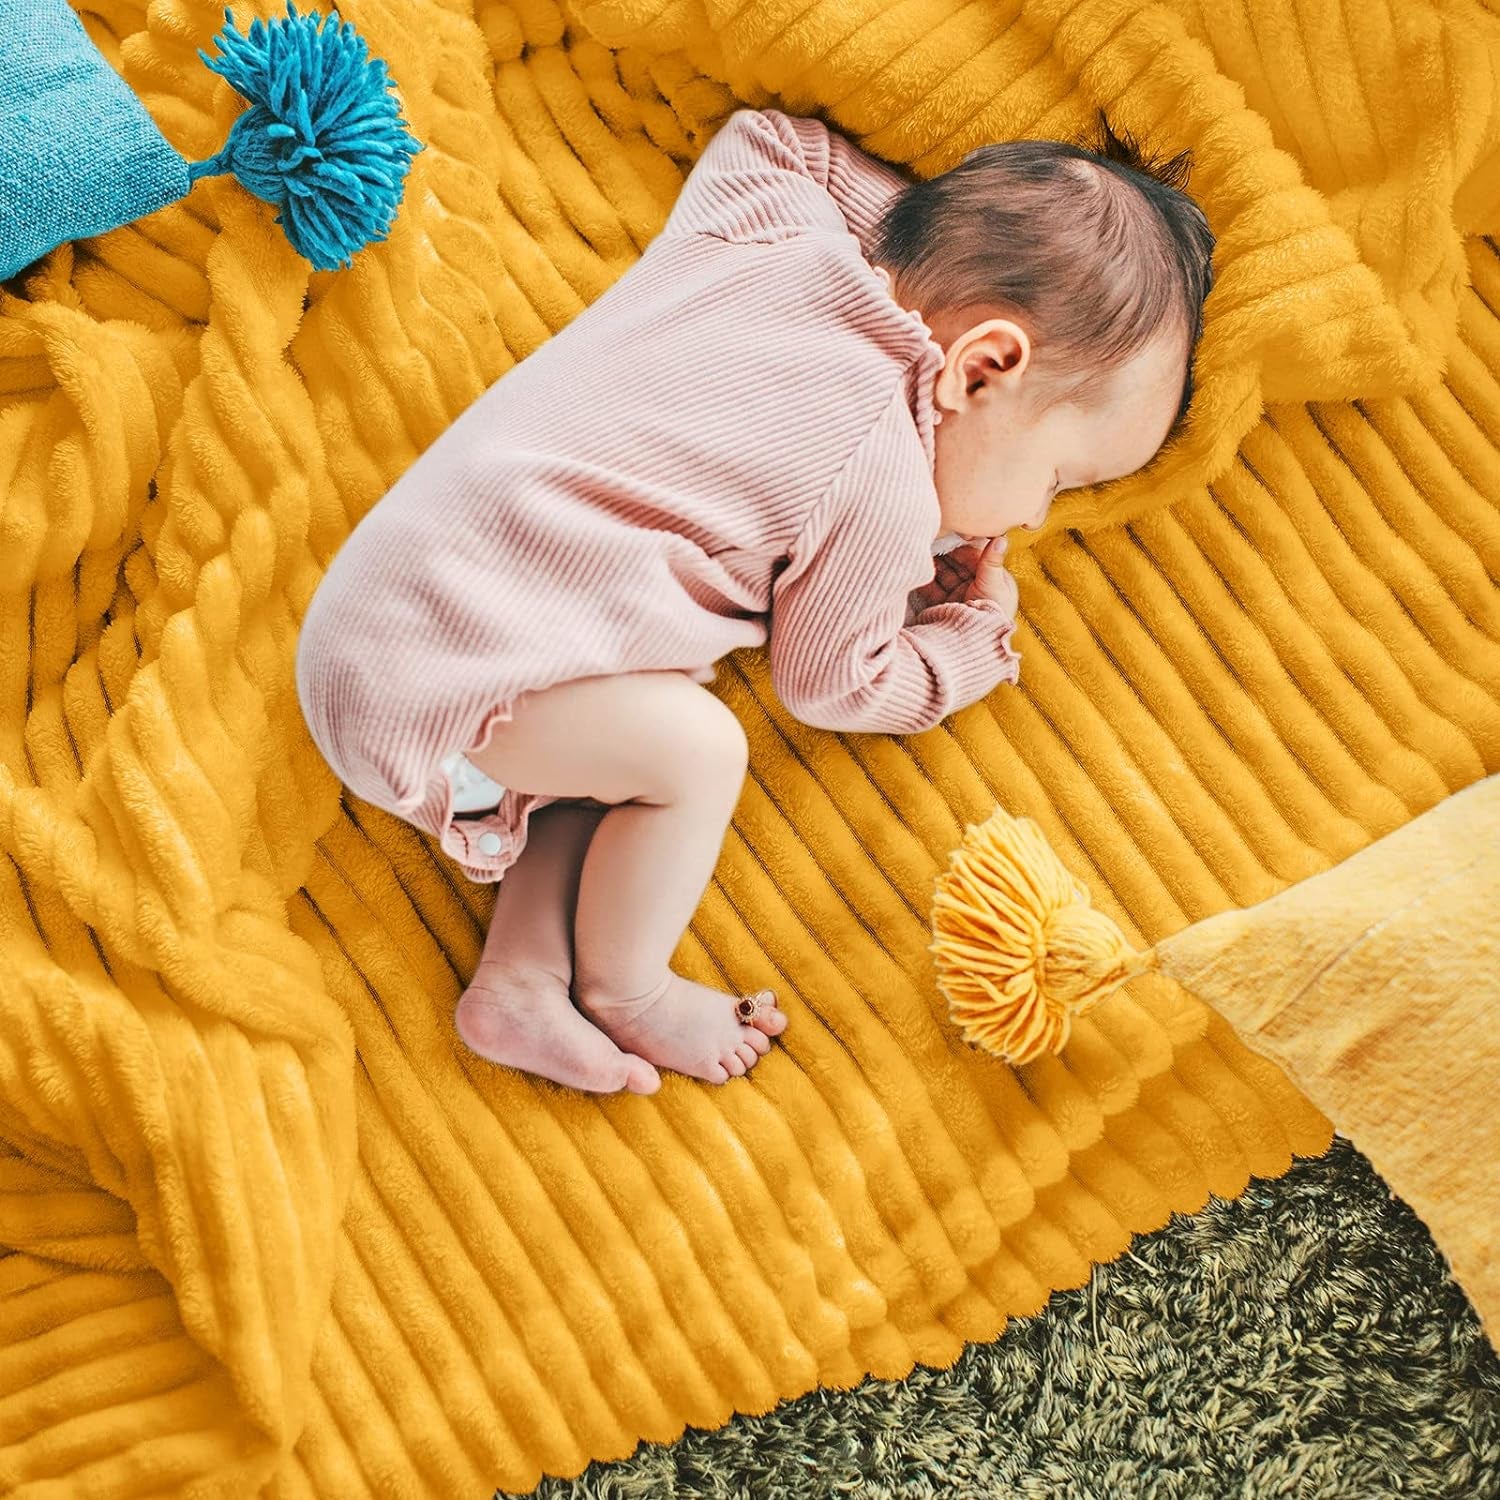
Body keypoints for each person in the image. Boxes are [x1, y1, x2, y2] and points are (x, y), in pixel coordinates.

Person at [294, 107, 1215, 1096]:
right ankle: (627, 987)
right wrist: (963, 641)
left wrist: (932, 243)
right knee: (694, 749)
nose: (1036, 516)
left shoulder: (775, 228)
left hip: (388, 612)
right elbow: (835, 683)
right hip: (458, 683)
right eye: (1060, 476)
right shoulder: (880, 481)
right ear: (981, 368)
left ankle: (520, 980)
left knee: (622, 740)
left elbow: (772, 138)